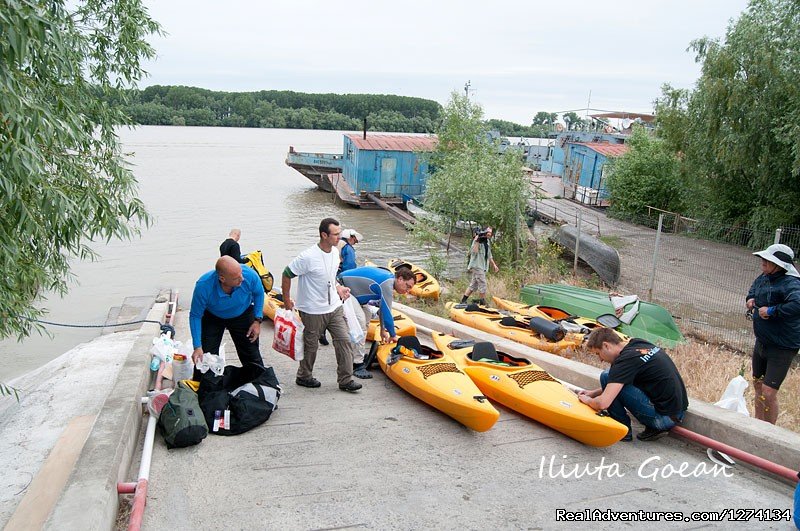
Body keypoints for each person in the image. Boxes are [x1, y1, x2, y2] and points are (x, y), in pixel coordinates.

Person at [281, 218, 362, 393]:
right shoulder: (307, 256)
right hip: (312, 310)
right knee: (311, 346)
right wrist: (287, 300)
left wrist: (338, 287)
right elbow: (287, 274)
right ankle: (304, 376)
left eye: (340, 233)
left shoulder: (334, 252)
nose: (339, 237)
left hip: (334, 307)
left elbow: (330, 276)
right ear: (324, 235)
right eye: (335, 234)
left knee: (344, 341)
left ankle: (346, 380)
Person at [579, 327, 689, 442]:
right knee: (610, 376)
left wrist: (587, 400)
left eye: (598, 354)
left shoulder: (623, 363)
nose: (600, 359)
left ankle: (622, 430)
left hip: (663, 419)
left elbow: (602, 404)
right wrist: (593, 393)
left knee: (606, 375)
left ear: (606, 346)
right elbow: (620, 383)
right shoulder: (638, 344)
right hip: (677, 412)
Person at [746, 243, 800, 424]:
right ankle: (757, 426)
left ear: (779, 265)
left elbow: (797, 305)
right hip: (762, 342)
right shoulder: (765, 276)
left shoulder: (792, 284)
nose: (763, 262)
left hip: (781, 346)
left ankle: (769, 433)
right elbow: (754, 287)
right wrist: (750, 298)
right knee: (758, 386)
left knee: (768, 393)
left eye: (767, 260)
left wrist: (771, 311)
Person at [189, 256, 265, 373]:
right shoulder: (203, 286)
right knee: (206, 357)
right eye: (236, 278)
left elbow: (259, 293)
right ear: (222, 279)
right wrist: (197, 346)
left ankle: (259, 382)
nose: (242, 278)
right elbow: (195, 316)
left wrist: (257, 320)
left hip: (242, 313)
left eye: (241, 274)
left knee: (251, 355)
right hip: (213, 316)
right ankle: (207, 386)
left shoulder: (249, 275)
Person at [338, 266, 416, 378]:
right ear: (400, 279)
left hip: (355, 292)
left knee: (366, 317)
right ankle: (357, 364)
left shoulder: (389, 282)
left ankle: (355, 355)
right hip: (343, 286)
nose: (407, 291)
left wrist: (382, 331)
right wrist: (393, 335)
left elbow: (382, 308)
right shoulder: (387, 283)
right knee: (360, 320)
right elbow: (388, 312)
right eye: (407, 286)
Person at [319, 227, 363, 346]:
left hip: (330, 278)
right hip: (341, 280)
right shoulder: (348, 248)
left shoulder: (335, 245)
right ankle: (340, 332)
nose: (355, 242)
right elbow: (350, 266)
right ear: (351, 238)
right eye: (354, 239)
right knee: (338, 307)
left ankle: (321, 331)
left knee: (327, 304)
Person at [460, 226, 499, 305]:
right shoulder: (477, 240)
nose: (489, 234)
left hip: (483, 266)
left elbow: (489, 255)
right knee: (483, 283)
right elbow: (474, 252)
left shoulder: (487, 242)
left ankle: (463, 300)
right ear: (484, 232)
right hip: (477, 265)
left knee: (473, 285)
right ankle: (482, 302)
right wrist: (477, 240)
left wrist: (494, 265)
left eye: (490, 233)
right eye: (488, 232)